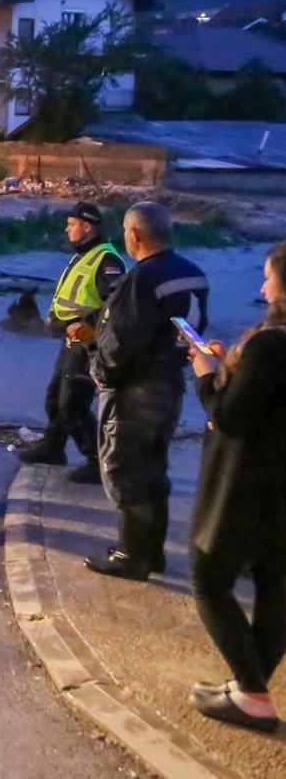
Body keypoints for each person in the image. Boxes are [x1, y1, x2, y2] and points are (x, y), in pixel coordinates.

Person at [183, 243, 286, 733]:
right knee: (276, 586)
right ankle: (251, 689)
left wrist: (207, 374)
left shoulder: (271, 344)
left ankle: (252, 690)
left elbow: (231, 416)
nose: (263, 287)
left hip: (247, 485)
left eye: (268, 278)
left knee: (209, 577)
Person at [79, 201, 208, 581]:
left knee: (125, 468)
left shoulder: (141, 279)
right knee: (153, 468)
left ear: (133, 235)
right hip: (170, 382)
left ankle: (133, 556)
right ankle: (150, 552)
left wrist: (99, 370)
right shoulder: (192, 273)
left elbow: (121, 341)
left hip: (136, 390)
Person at [17, 202, 126, 483]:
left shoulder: (107, 260)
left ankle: (97, 460)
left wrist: (86, 324)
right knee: (56, 397)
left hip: (88, 342)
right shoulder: (84, 255)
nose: (67, 228)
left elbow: (115, 303)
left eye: (72, 223)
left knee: (73, 403)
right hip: (71, 338)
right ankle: (53, 447)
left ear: (87, 226)